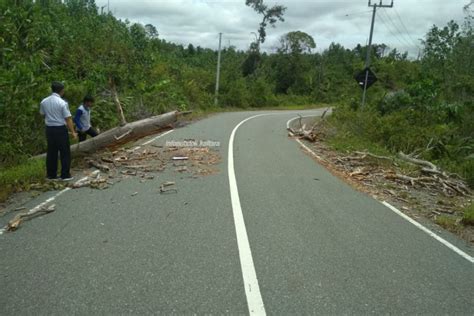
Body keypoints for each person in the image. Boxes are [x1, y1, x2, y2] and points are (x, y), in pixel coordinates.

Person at [40, 81, 77, 181]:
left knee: (52, 151)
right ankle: (65, 174)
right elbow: (68, 118)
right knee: (64, 152)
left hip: (49, 129)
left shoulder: (44, 101)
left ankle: (51, 174)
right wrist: (73, 132)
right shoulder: (62, 103)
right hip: (60, 129)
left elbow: (43, 114)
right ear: (62, 90)